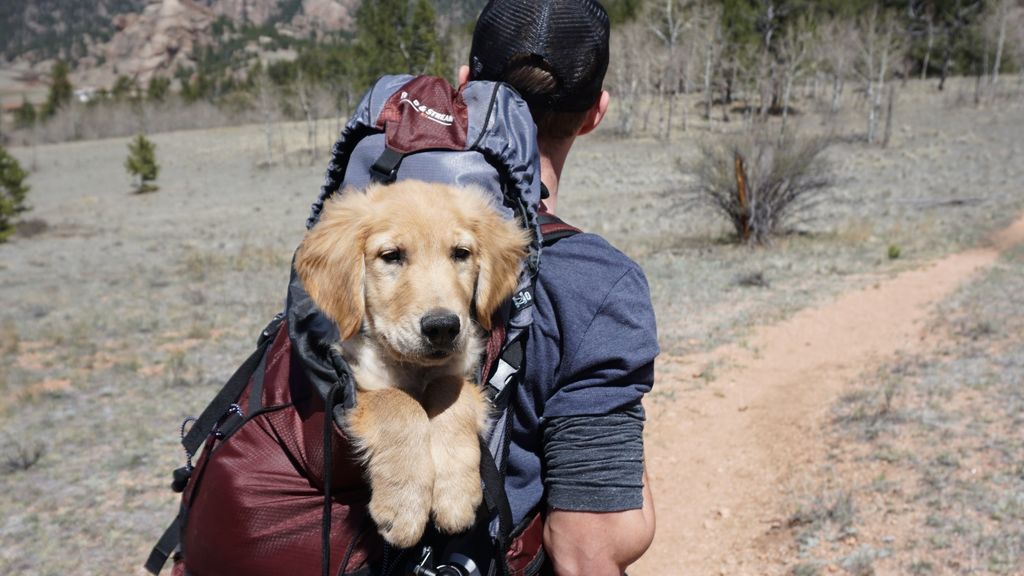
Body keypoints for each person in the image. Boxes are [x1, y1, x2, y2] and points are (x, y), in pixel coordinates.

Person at [460, 2, 659, 574]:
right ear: (597, 112)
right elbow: (584, 554)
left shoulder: (362, 227)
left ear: (466, 87)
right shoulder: (596, 285)